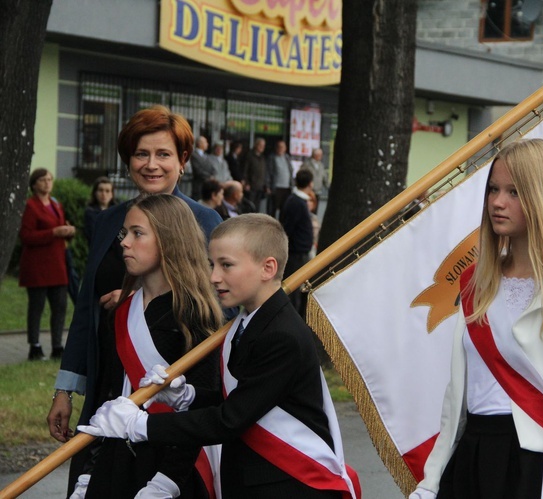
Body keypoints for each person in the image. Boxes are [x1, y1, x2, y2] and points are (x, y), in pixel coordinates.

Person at [79, 214, 360, 499]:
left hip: (287, 484)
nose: (214, 276)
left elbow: (230, 420)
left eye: (226, 265)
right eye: (213, 265)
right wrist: (188, 396)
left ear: (268, 268)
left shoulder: (281, 334)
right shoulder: (249, 321)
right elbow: (242, 398)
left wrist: (139, 425)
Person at [410, 139, 543, 499]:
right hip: (472, 456)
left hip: (531, 465)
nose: (497, 202)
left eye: (515, 192)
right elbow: (457, 401)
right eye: (494, 189)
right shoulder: (477, 284)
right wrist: (431, 480)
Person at [46, 105, 223, 495]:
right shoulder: (111, 221)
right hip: (110, 382)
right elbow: (87, 310)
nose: (152, 164)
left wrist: (140, 300)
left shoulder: (205, 222)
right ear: (128, 161)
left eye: (164, 154)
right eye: (141, 154)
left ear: (183, 161)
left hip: (170, 404)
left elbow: (215, 315)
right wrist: (65, 389)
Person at [70, 194, 222, 499]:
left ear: (169, 239)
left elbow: (204, 404)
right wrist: (88, 471)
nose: (125, 242)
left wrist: (167, 481)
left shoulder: (194, 314)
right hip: (116, 460)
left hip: (172, 464)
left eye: (138, 233)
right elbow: (109, 396)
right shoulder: (121, 311)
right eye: (124, 233)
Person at [19, 168, 76, 360]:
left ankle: (57, 346)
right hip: (37, 266)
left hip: (57, 264)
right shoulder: (30, 206)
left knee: (60, 306)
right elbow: (26, 236)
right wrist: (53, 232)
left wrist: (67, 231)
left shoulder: (55, 204)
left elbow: (59, 228)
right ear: (34, 184)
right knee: (37, 307)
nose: (47, 182)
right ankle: (34, 347)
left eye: (50, 179)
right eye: (43, 180)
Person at [282, 169, 315, 315]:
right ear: (310, 183)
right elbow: (289, 227)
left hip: (299, 250)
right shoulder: (297, 202)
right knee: (295, 289)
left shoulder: (296, 200)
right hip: (297, 253)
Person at [84, 176, 116, 243]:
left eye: (107, 191)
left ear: (112, 194)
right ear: (95, 192)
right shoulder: (90, 212)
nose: (104, 194)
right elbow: (93, 235)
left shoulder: (117, 212)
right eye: (101, 190)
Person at [266, 140, 294, 219]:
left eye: (283, 147)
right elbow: (268, 172)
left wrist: (292, 184)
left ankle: (281, 226)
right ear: (276, 148)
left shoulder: (287, 157)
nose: (281, 149)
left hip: (287, 187)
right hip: (276, 187)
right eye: (279, 147)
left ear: (285, 148)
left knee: (284, 209)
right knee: (273, 209)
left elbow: (290, 171)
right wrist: (268, 186)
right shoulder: (272, 157)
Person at [244, 137, 267, 213]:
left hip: (260, 186)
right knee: (250, 206)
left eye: (263, 145)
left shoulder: (262, 158)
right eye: (260, 145)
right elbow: (245, 170)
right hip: (251, 186)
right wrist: (246, 182)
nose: (262, 147)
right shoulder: (249, 156)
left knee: (257, 207)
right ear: (256, 145)